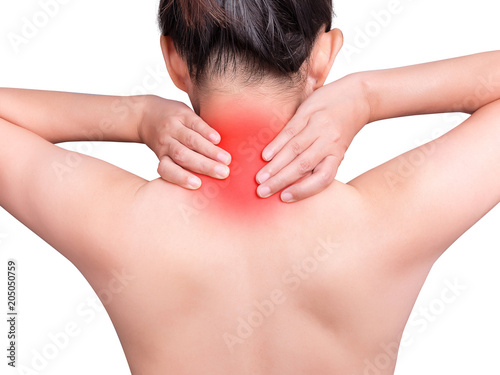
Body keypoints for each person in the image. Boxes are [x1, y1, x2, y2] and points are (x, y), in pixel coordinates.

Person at [0, 0, 499, 374]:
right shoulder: (388, 223)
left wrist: (134, 116)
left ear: (173, 59)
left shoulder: (119, 223)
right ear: (323, 56)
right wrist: (368, 96)